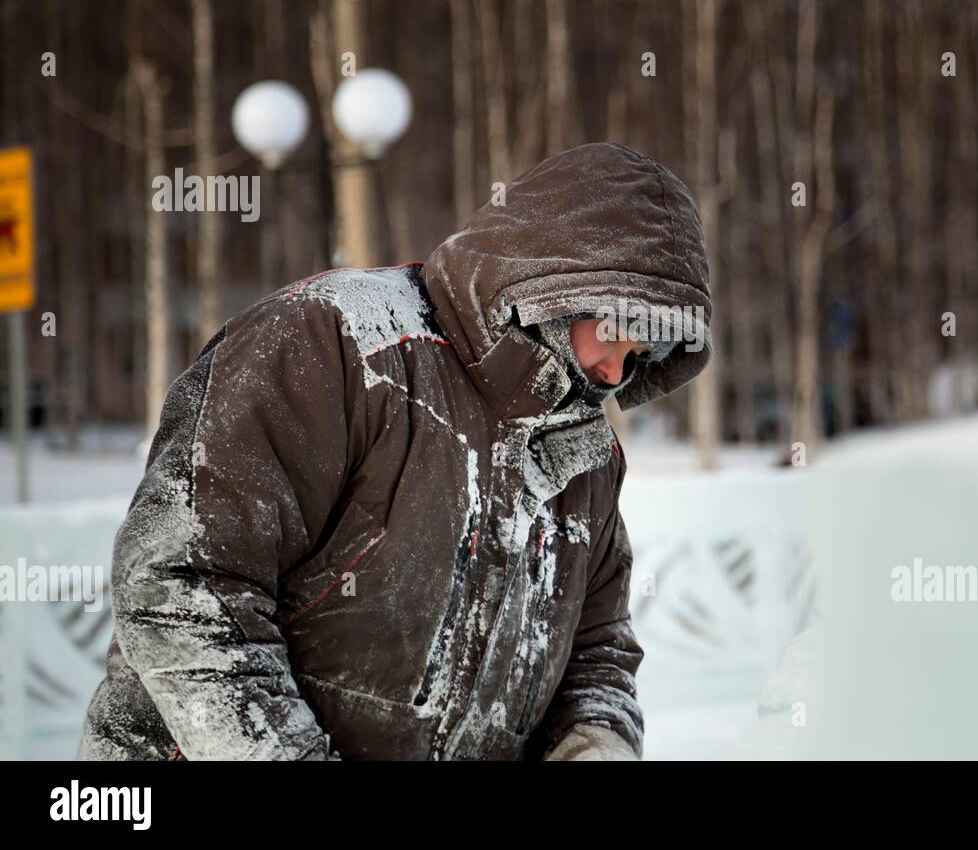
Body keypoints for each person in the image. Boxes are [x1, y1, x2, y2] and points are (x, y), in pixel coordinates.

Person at [75, 141, 712, 761]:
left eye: (639, 355)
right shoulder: (335, 343)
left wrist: (595, 745)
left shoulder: (586, 456)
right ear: (553, 280)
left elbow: (597, 649)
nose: (613, 372)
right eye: (614, 333)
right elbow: (182, 582)